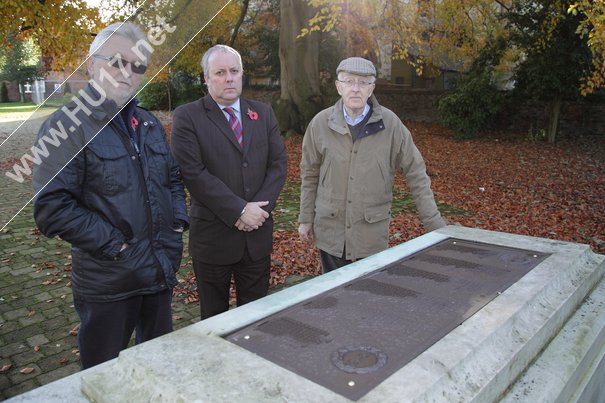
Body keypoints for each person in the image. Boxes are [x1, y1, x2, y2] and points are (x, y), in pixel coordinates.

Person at [32, 22, 188, 369]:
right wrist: (117, 246)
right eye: (116, 61)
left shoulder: (147, 124)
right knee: (104, 377)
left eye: (137, 66)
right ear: (91, 65)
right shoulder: (65, 126)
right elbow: (51, 207)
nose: (127, 72)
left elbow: (173, 179)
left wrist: (177, 222)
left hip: (158, 272)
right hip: (109, 282)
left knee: (158, 369)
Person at [170, 44, 287, 320]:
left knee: (256, 317)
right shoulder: (188, 116)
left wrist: (258, 212)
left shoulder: (263, 113)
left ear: (242, 75)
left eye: (234, 71)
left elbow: (278, 164)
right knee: (214, 318)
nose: (229, 78)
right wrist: (239, 210)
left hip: (256, 236)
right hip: (213, 239)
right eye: (220, 72)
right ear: (206, 79)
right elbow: (193, 172)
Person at [298, 56, 447, 273]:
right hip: (331, 233)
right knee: (333, 298)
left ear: (372, 89)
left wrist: (434, 224)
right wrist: (305, 218)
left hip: (371, 236)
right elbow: (309, 173)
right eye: (349, 81)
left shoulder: (391, 125)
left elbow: (416, 173)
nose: (355, 89)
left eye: (363, 82)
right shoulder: (320, 124)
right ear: (339, 87)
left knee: (368, 298)